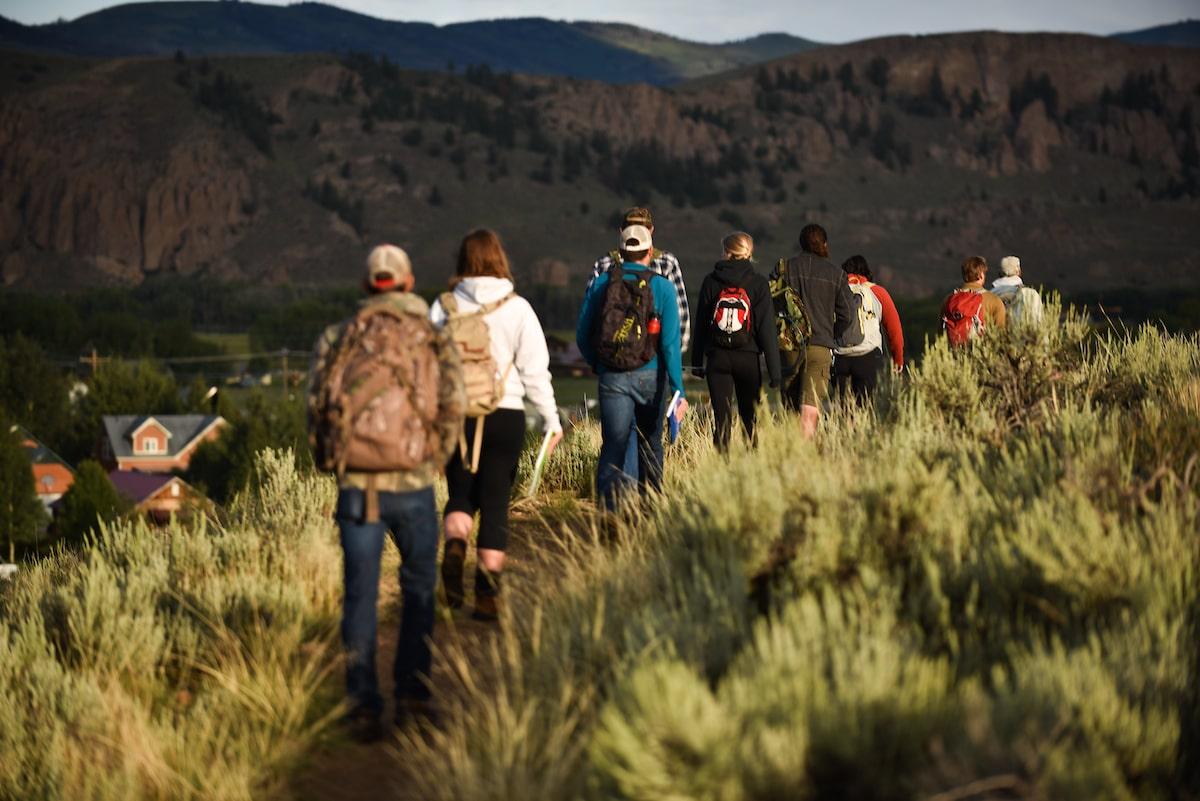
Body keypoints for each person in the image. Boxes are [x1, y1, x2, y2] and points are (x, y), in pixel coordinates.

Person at [307, 244, 465, 741]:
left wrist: (332, 464)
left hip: (357, 487)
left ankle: (362, 705)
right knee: (419, 589)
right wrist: (434, 458)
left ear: (365, 284)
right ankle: (414, 695)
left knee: (359, 596)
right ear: (408, 281)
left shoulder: (338, 337)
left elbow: (316, 409)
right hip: (415, 484)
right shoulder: (432, 336)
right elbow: (453, 403)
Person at [430, 229, 563, 622]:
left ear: (463, 262)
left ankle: (455, 547)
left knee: (460, 495)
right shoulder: (518, 307)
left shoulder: (443, 307)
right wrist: (551, 421)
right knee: (495, 504)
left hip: (456, 415)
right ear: (499, 259)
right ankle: (487, 596)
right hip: (505, 414)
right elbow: (536, 371)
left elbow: (426, 367)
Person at [577, 223, 687, 509]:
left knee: (614, 444)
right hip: (652, 376)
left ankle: (612, 512)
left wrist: (599, 364)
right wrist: (679, 390)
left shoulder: (603, 282)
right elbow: (670, 345)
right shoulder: (661, 286)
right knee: (651, 442)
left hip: (612, 376)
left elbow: (582, 333)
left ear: (621, 251)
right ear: (650, 251)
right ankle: (649, 509)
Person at [691, 232, 781, 449]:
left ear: (728, 252)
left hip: (717, 358)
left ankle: (722, 468)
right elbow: (766, 329)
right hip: (747, 359)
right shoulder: (758, 283)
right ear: (749, 253)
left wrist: (697, 363)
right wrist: (775, 373)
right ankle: (749, 466)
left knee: (721, 420)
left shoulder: (711, 281)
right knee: (749, 420)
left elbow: (702, 324)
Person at [774, 224, 857, 438]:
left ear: (801, 244)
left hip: (789, 345)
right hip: (820, 346)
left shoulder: (784, 268)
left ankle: (789, 451)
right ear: (825, 244)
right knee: (810, 406)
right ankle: (805, 454)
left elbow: (769, 303)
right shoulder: (837, 275)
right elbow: (848, 314)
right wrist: (832, 334)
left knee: (789, 405)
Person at [832, 254, 905, 402]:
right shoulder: (878, 292)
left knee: (844, 410)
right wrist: (898, 360)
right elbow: (894, 330)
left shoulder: (836, 291)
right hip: (868, 357)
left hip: (840, 358)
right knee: (866, 408)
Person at [942, 255, 1006, 346]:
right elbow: (1001, 334)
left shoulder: (948, 300)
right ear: (981, 275)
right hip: (982, 355)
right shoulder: (993, 300)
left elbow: (941, 333)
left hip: (954, 355)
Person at [991, 255, 1044, 325]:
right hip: (1023, 334)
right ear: (1018, 271)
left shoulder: (989, 295)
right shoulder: (1030, 294)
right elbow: (1039, 321)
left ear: (1000, 273)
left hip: (996, 335)